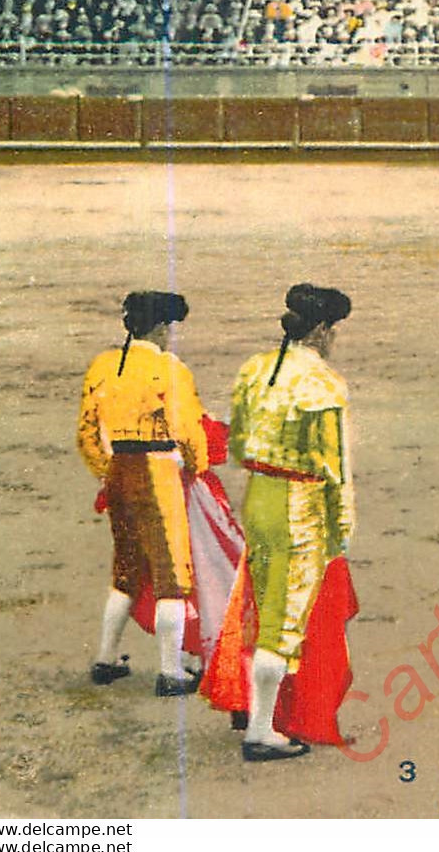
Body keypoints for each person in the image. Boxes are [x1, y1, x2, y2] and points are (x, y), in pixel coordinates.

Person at [221, 283, 356, 761]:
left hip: (258, 497)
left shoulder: (255, 369)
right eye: (333, 329)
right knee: (284, 621)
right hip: (300, 504)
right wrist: (341, 526)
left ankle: (260, 714)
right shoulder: (323, 383)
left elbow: (237, 444)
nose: (334, 338)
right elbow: (333, 467)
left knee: (262, 607)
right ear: (320, 330)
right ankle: (262, 731)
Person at [77, 290, 208, 696]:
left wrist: (108, 470)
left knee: (126, 569)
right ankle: (171, 672)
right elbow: (188, 432)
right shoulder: (169, 369)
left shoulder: (102, 365)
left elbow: (85, 433)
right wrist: (197, 465)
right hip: (157, 472)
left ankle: (106, 657)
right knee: (172, 574)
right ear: (160, 327)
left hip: (118, 471)